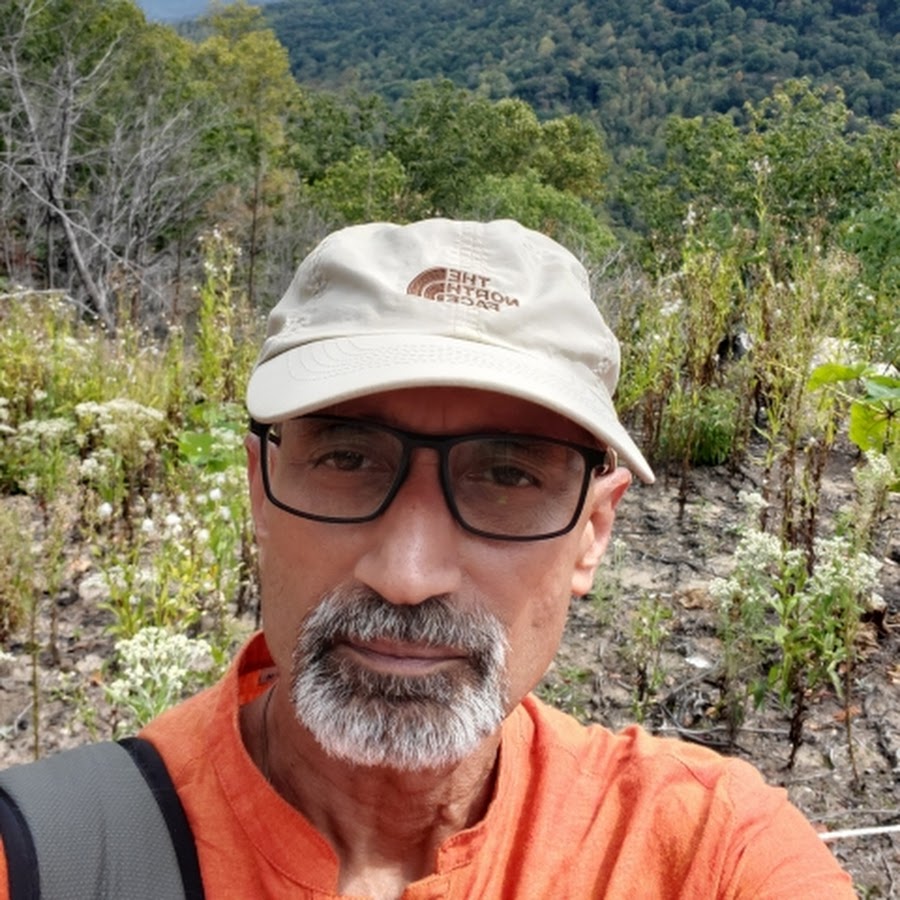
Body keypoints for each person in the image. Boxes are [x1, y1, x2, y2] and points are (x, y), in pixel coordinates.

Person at [0, 219, 853, 898]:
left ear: (593, 531)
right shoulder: (54, 858)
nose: (406, 575)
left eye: (507, 476)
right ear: (260, 489)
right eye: (348, 458)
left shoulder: (705, 853)